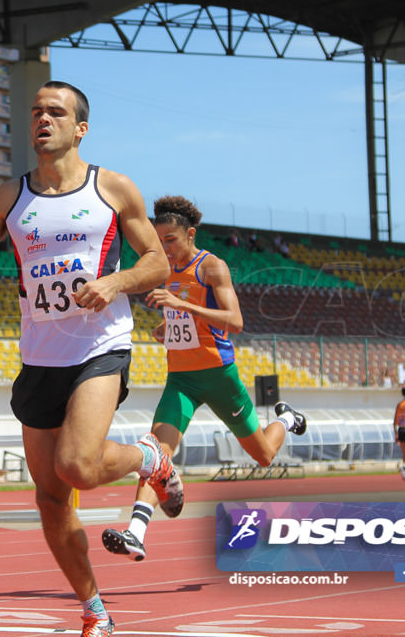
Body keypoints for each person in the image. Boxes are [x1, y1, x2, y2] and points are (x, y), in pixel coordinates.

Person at [0, 80, 177, 637]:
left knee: (77, 465)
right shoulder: (8, 198)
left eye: (55, 112)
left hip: (101, 346)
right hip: (40, 356)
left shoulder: (112, 189)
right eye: (36, 110)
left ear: (80, 128)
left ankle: (150, 459)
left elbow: (158, 264)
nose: (42, 119)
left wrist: (115, 281)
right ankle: (94, 609)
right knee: (51, 499)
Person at [101, 195, 307, 563]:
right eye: (159, 241)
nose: (164, 248)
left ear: (190, 234)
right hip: (180, 379)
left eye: (170, 241)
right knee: (156, 454)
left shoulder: (212, 266)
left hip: (219, 376)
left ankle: (287, 419)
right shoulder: (163, 272)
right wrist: (166, 329)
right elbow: (185, 324)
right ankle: (136, 531)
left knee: (262, 455)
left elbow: (236, 322)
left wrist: (182, 306)